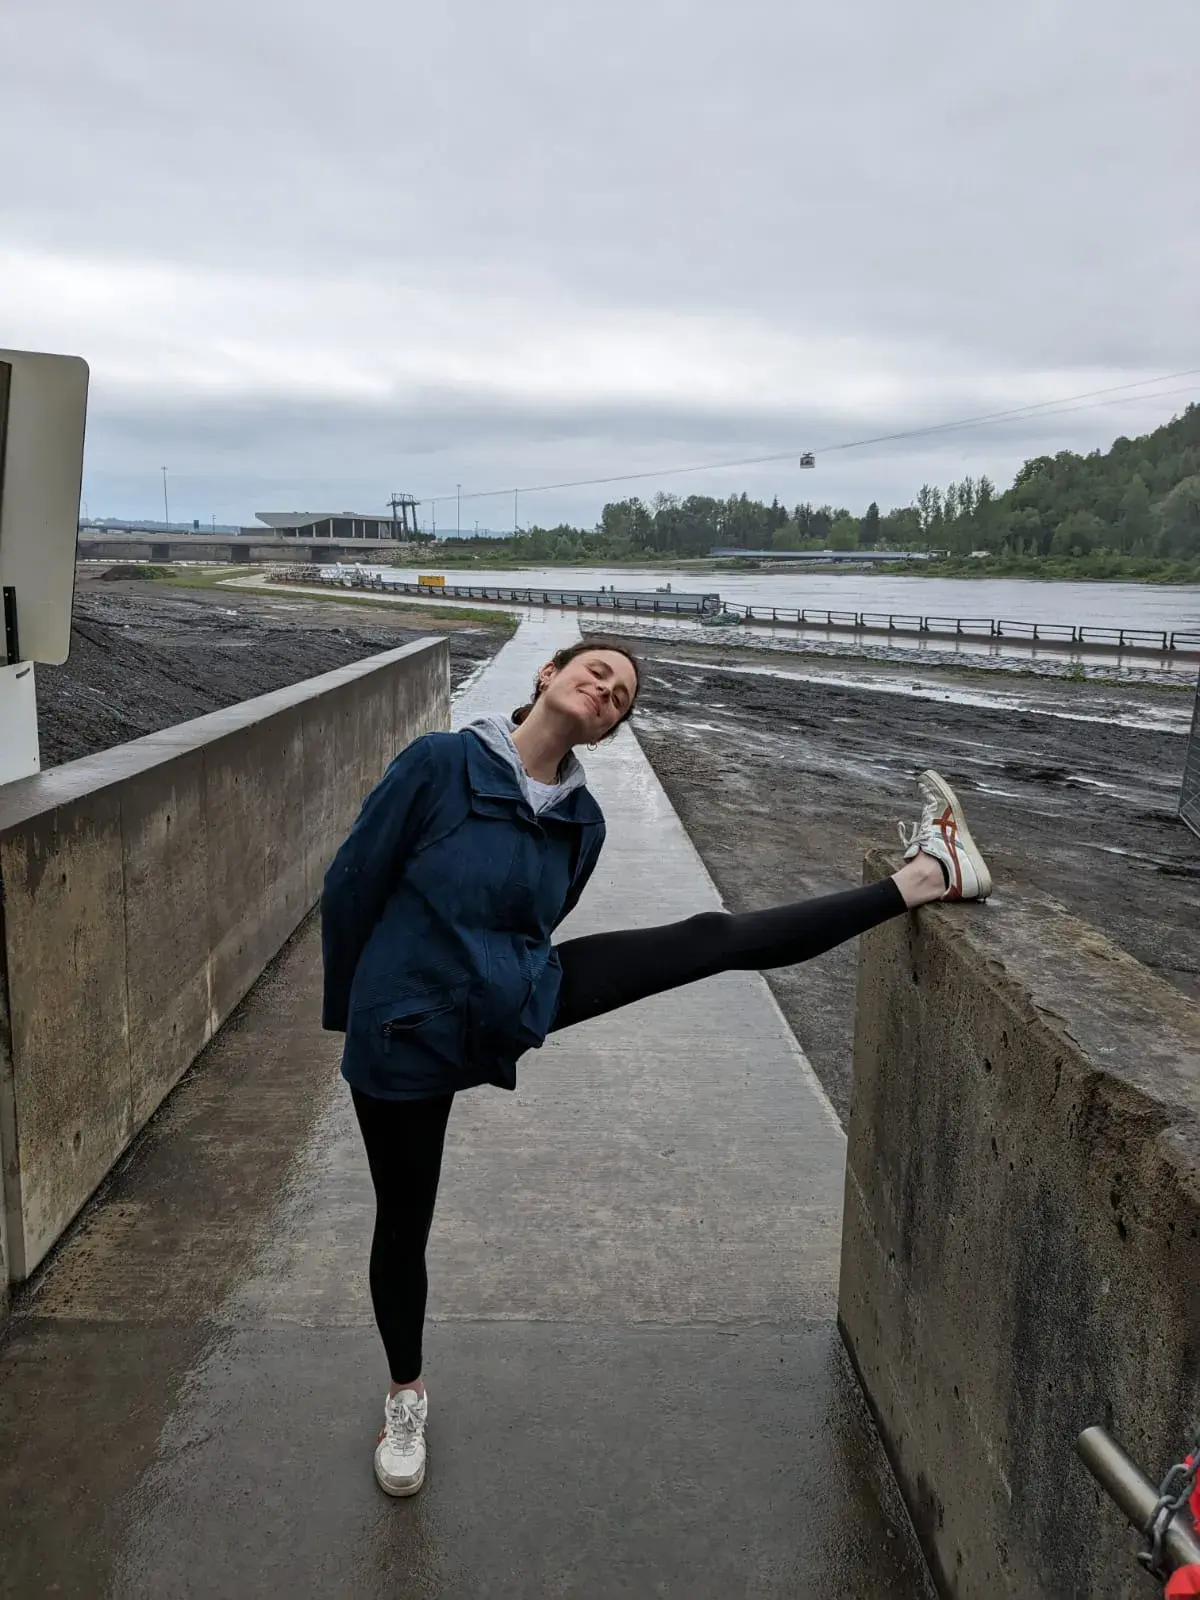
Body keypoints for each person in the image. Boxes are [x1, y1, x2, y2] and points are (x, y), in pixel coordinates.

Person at [321, 639, 992, 1498]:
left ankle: (929, 875)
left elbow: (541, 923)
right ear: (547, 676)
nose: (605, 687)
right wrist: (358, 1016)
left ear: (607, 730)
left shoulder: (583, 823)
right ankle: (406, 1396)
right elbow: (352, 885)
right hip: (403, 1036)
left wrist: (510, 996)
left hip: (510, 1002)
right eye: (594, 670)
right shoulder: (441, 763)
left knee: (710, 940)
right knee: (405, 1222)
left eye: (622, 693)